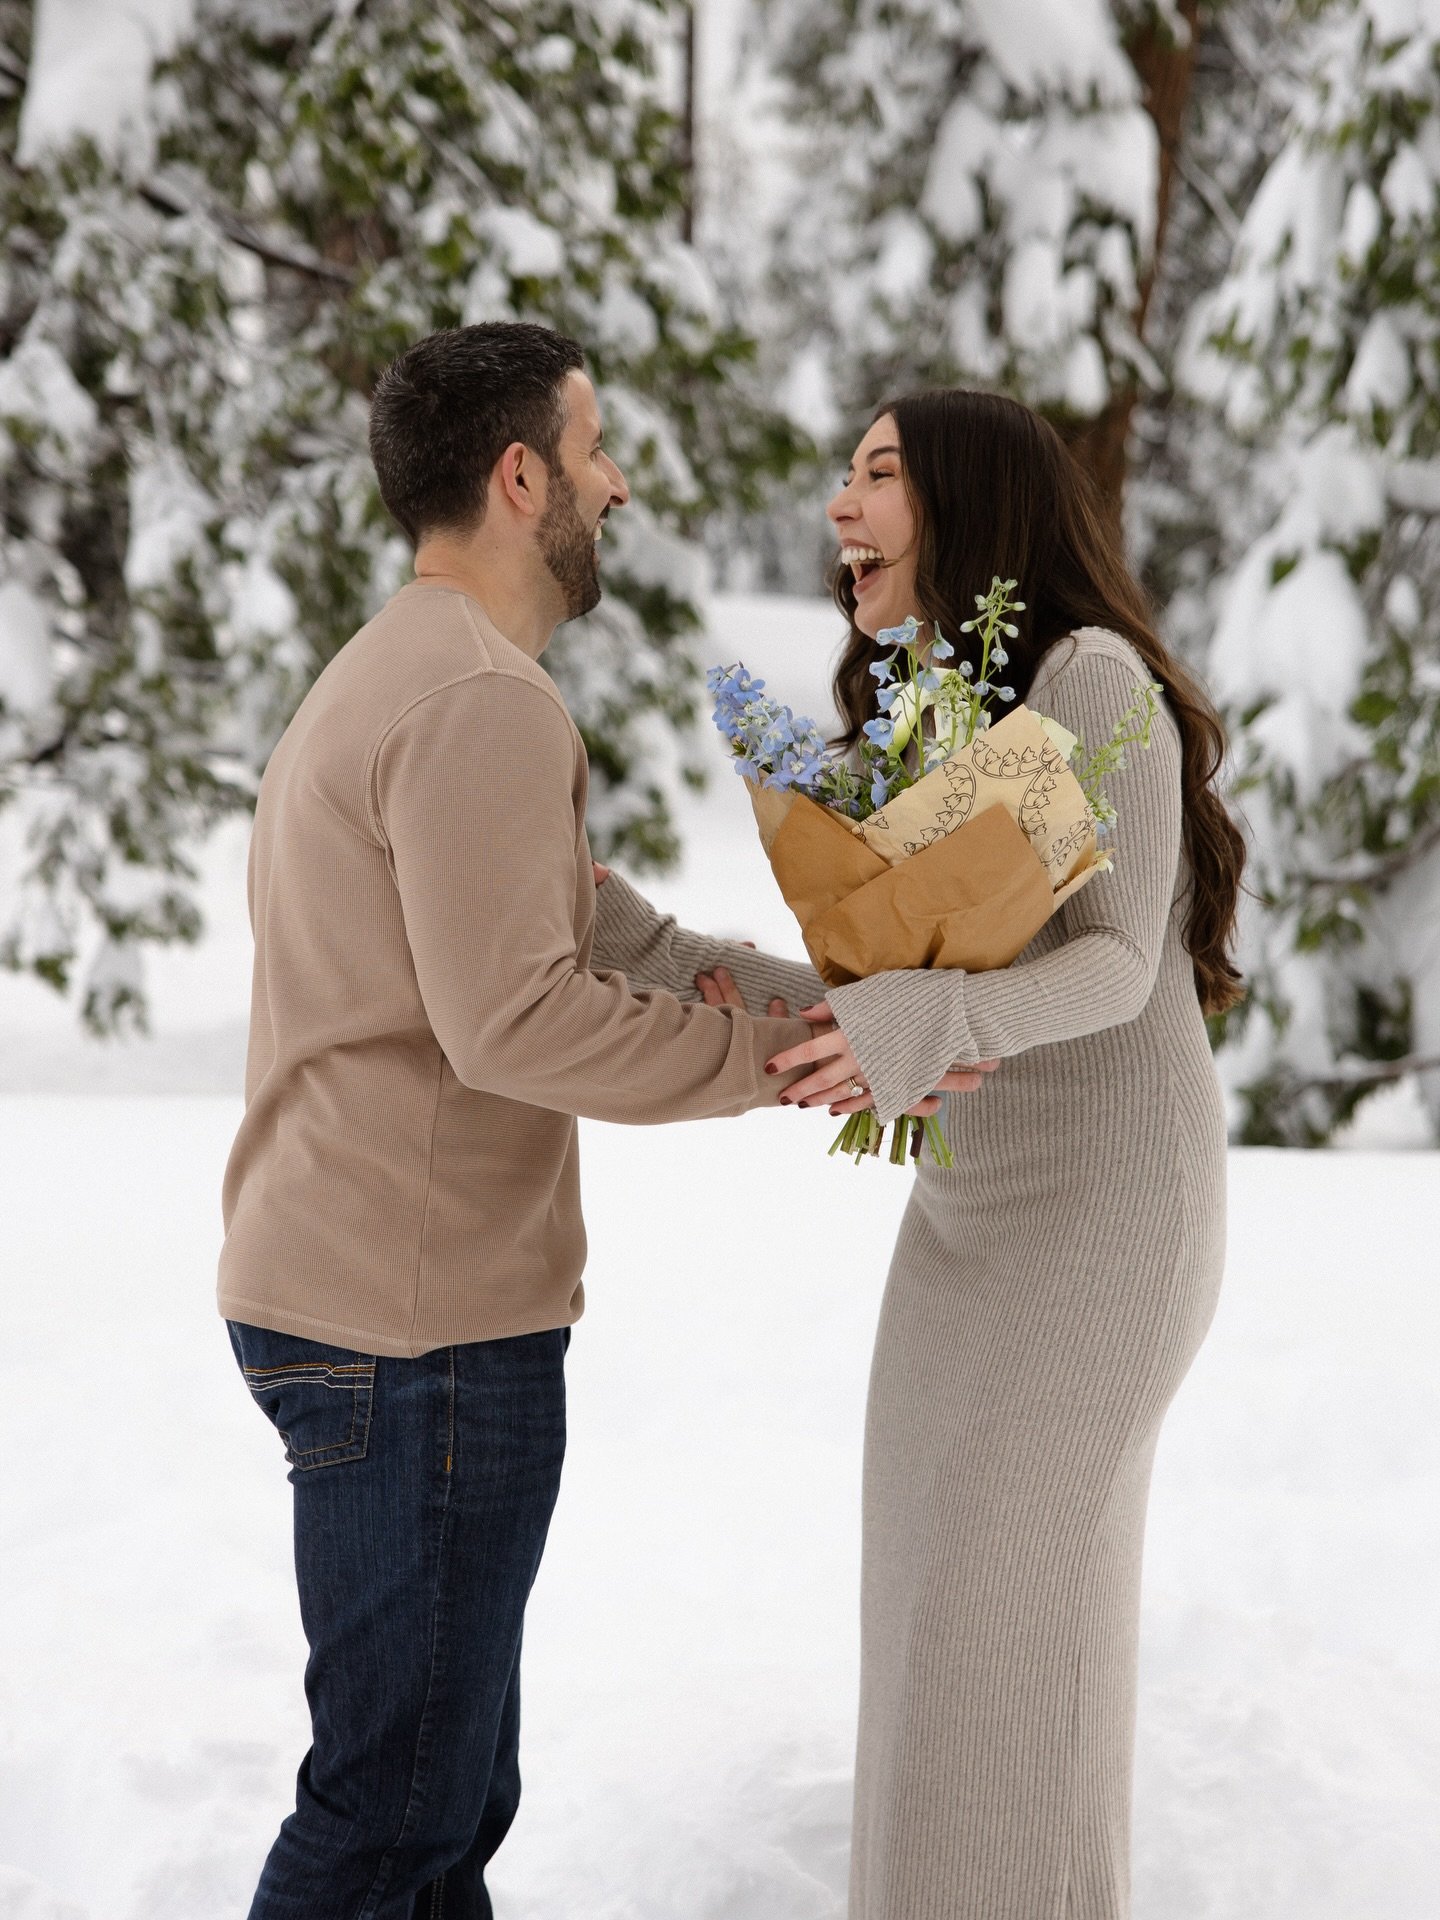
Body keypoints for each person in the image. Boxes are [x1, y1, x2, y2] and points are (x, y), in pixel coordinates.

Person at [590, 387, 1245, 1920]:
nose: (841, 505)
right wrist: (645, 944)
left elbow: (1110, 971)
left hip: (1105, 1215)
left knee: (995, 1617)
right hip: (972, 1211)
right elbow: (898, 974)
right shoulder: (935, 699)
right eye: (843, 472)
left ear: (968, 499)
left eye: (878, 474)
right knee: (935, 1605)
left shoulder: (1091, 676)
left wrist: (910, 1031)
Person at [216, 320, 826, 1919]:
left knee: (441, 1798)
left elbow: (595, 935)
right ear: (520, 474)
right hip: (415, 1332)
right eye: (596, 449)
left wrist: (822, 998)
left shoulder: (398, 673)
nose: (616, 484)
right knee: (391, 1816)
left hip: (362, 1296)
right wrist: (790, 1069)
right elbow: (519, 1022)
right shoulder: (479, 703)